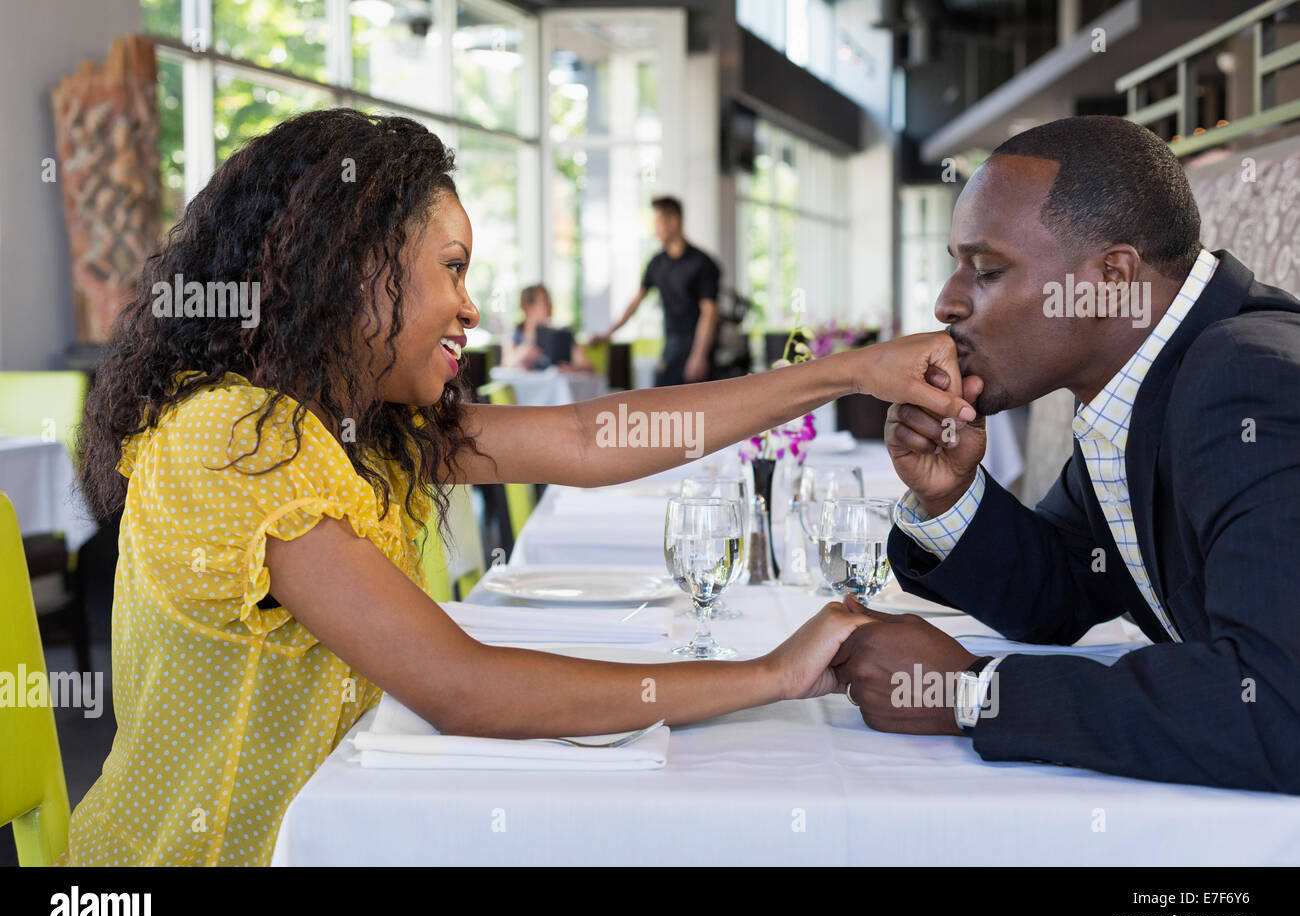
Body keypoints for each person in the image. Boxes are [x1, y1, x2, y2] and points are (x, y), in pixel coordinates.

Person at [64, 108, 977, 865]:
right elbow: (461, 687)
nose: (472, 306)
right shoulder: (235, 438)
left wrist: (844, 374)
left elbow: (592, 436)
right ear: (345, 268)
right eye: (452, 268)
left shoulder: (360, 431)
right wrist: (773, 674)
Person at [832, 115, 1300, 794]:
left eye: (987, 270)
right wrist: (952, 495)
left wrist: (971, 694)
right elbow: (1066, 591)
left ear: (1111, 277)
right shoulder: (1149, 379)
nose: (947, 301)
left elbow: (1279, 705)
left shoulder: (1247, 381)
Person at [597, 196, 721, 385]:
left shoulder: (703, 263)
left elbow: (709, 313)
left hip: (697, 344)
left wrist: (699, 355)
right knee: (662, 405)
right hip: (671, 343)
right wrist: (608, 333)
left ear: (674, 221)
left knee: (696, 410)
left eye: (658, 222)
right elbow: (635, 303)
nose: (655, 229)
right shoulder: (656, 263)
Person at [502, 283, 593, 372]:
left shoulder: (563, 336)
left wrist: (569, 369)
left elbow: (587, 367)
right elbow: (505, 365)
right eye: (544, 301)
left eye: (549, 300)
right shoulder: (515, 334)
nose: (550, 306)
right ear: (528, 308)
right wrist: (525, 350)